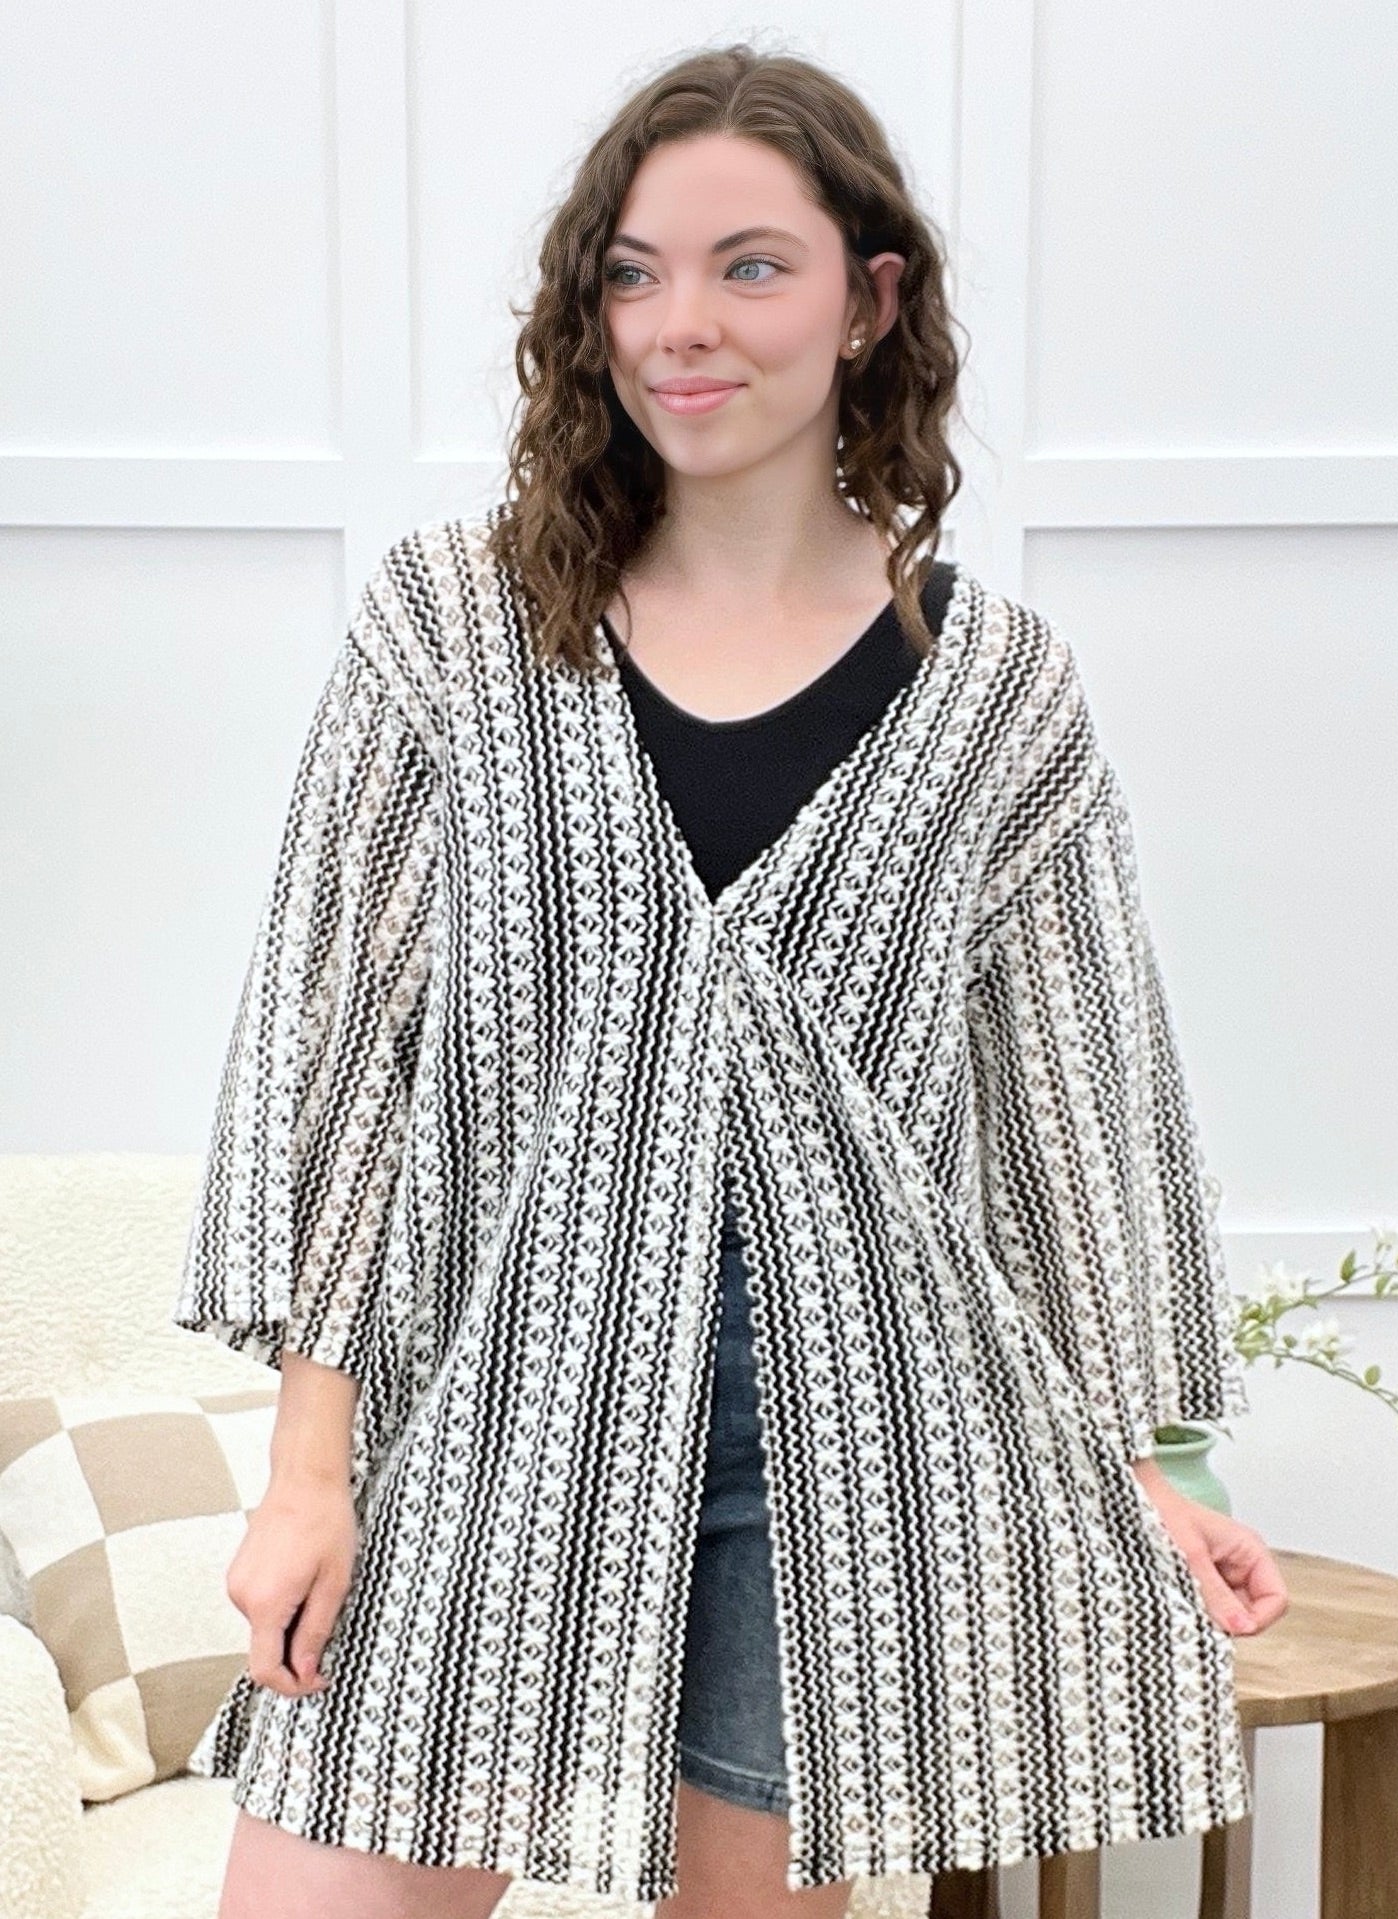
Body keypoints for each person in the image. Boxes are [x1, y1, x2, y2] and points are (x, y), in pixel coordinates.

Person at [173, 41, 1289, 1919]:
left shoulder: (1001, 694)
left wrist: (1142, 1467)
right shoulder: (453, 629)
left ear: (872, 301)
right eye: (633, 272)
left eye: (748, 266)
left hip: (849, 1469)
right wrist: (309, 1469)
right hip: (504, 1413)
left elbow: (1074, 1112)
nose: (678, 323)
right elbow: (339, 1059)